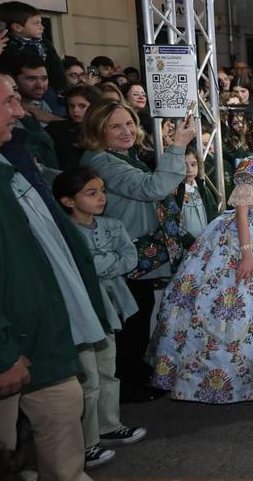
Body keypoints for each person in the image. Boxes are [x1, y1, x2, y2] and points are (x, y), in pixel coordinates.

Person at [0, 67, 103, 480]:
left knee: (65, 443)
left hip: (43, 347)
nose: (20, 112)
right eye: (8, 101)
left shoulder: (5, 166)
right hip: (0, 359)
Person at [149, 119, 253, 403]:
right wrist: (246, 254)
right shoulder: (247, 170)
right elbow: (242, 213)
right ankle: (240, 378)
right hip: (249, 236)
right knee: (244, 304)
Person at [79, 100, 192, 402]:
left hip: (136, 251)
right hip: (124, 254)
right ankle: (128, 385)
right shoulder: (101, 162)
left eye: (129, 123)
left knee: (139, 317)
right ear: (97, 129)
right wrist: (178, 146)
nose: (126, 131)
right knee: (131, 322)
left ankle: (135, 375)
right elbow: (151, 188)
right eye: (115, 126)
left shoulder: (119, 156)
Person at [54, 168, 148, 466]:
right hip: (83, 309)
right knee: (88, 378)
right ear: (68, 201)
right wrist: (108, 263)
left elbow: (130, 259)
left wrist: (98, 263)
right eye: (91, 193)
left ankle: (109, 425)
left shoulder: (112, 225)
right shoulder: (64, 233)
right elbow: (87, 266)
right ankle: (87, 441)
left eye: (102, 190)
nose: (101, 197)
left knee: (108, 370)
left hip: (112, 308)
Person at [0, 0, 66, 93]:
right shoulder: (5, 46)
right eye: (37, 23)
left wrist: (62, 89)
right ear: (17, 27)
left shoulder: (45, 44)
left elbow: (57, 68)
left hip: (49, 90)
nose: (42, 27)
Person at [49, 85, 103, 171]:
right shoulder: (57, 129)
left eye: (82, 106)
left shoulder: (105, 129)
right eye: (71, 106)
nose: (75, 110)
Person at [178, 148, 216, 245]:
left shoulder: (203, 189)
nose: (189, 170)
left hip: (206, 244)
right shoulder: (175, 192)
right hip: (186, 247)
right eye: (183, 165)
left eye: (193, 165)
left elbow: (213, 213)